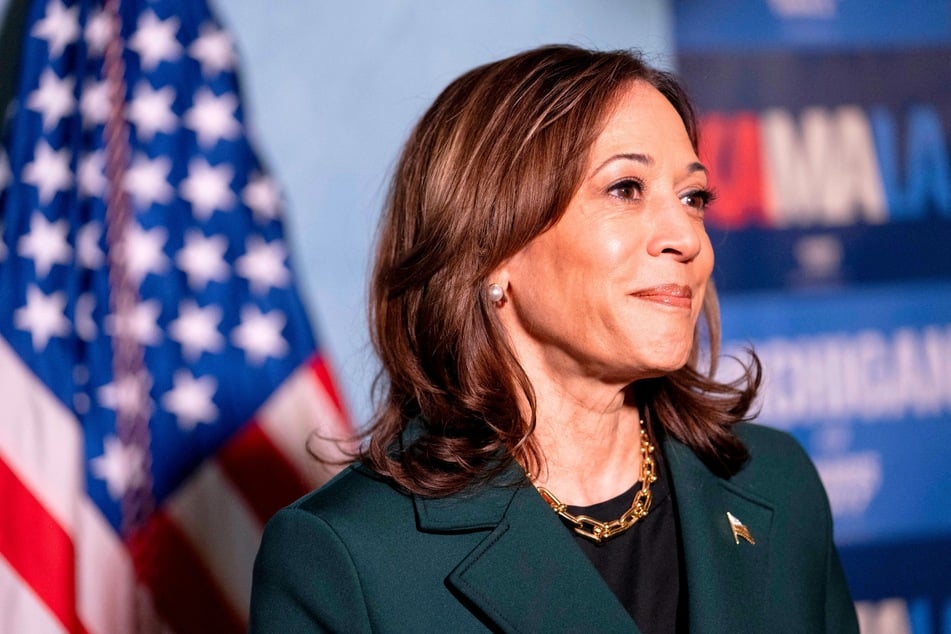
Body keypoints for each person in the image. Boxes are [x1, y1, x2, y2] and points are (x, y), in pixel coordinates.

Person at [249, 44, 858, 633]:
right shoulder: (344, 558)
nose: (688, 238)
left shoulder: (777, 483)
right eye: (626, 189)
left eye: (693, 196)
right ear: (490, 248)